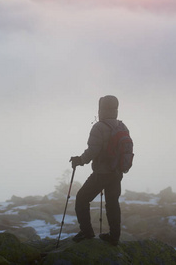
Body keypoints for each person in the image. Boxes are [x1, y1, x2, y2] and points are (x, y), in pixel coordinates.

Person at [69, 95, 128, 246]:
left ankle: (87, 233)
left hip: (102, 173)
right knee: (112, 203)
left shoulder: (99, 127)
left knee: (82, 198)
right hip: (117, 173)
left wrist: (79, 160)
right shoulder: (122, 126)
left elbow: (93, 151)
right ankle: (114, 236)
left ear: (101, 108)